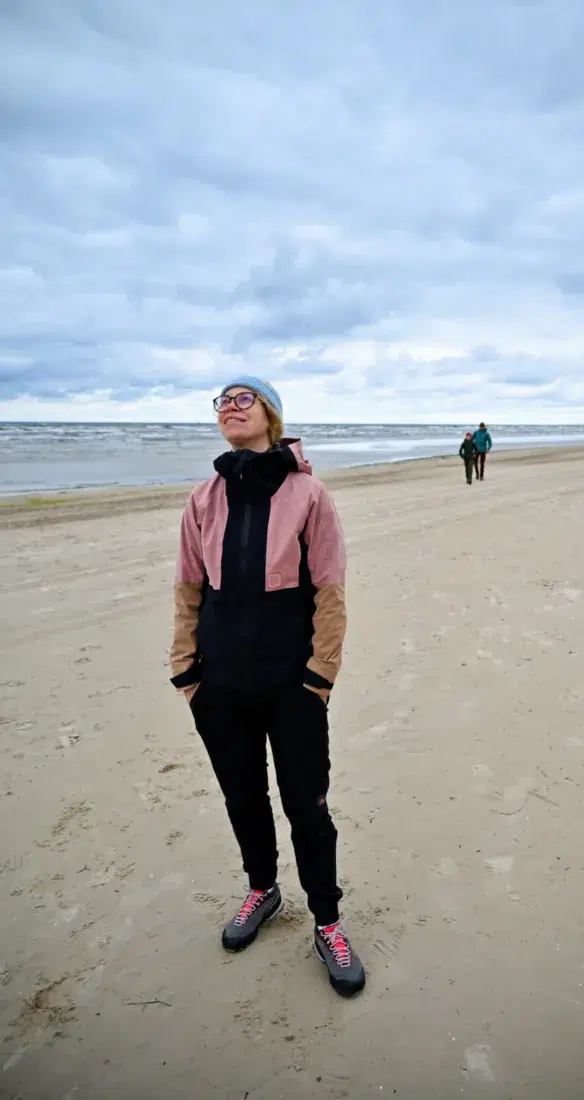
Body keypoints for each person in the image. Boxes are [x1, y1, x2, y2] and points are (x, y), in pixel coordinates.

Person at [169, 376, 365, 998]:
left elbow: (330, 591)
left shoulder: (309, 494)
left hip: (292, 685)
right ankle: (263, 888)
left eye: (242, 398)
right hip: (220, 683)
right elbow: (187, 590)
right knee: (242, 796)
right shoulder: (204, 498)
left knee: (307, 805)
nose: (229, 407)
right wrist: (187, 670)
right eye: (221, 401)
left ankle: (327, 921)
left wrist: (320, 675)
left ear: (271, 415)